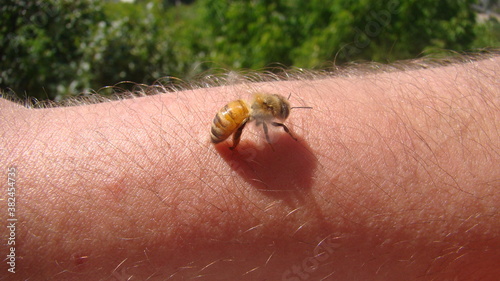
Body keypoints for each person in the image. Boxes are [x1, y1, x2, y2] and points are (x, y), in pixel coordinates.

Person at [1, 54, 498, 280]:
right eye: (281, 117)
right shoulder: (264, 119)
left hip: (230, 115)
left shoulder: (261, 104)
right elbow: (264, 124)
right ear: (275, 113)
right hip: (230, 124)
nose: (281, 122)